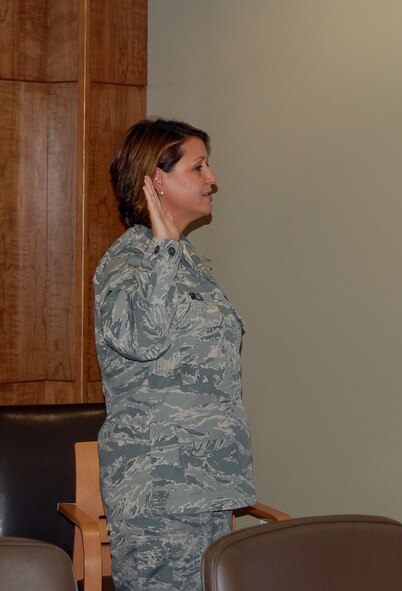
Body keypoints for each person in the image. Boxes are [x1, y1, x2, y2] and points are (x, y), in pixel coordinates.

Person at [94, 119, 256, 590]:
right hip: (159, 490)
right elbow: (141, 340)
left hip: (204, 485)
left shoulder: (185, 261)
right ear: (156, 179)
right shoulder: (130, 261)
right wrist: (164, 253)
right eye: (198, 166)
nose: (213, 178)